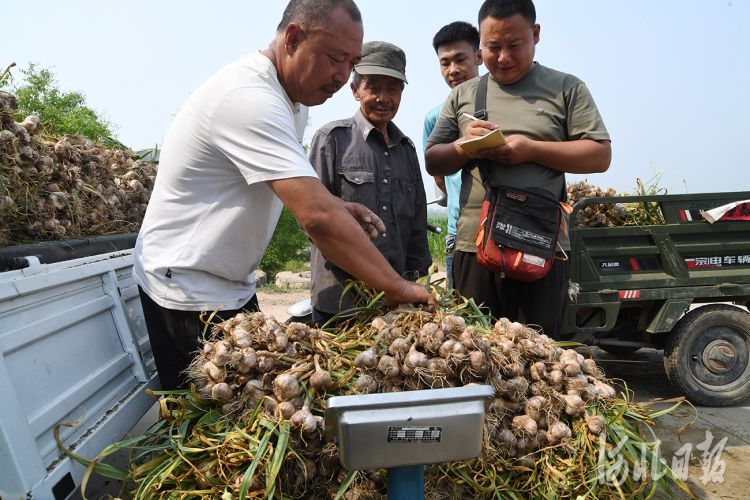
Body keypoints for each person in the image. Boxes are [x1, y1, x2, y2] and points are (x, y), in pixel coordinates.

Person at [134, 0, 436, 390]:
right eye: (335, 59)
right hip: (188, 289)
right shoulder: (250, 98)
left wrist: (340, 206)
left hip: (232, 284)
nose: (343, 76)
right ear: (293, 39)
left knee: (256, 405)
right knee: (203, 426)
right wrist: (397, 288)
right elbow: (317, 218)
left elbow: (301, 194)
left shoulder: (293, 100)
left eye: (351, 63)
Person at [425, 0, 611, 339]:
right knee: (471, 350)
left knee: (536, 358)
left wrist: (532, 150)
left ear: (536, 35)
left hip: (540, 246)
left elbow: (599, 155)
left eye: (515, 45)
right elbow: (433, 159)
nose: (504, 57)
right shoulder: (464, 95)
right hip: (475, 246)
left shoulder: (567, 88)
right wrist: (463, 144)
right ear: (481, 45)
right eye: (493, 47)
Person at [309, 41, 432, 325]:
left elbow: (416, 226)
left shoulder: (407, 149)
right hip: (341, 301)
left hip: (394, 302)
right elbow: (314, 222)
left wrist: (414, 284)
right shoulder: (331, 140)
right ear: (355, 91)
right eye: (373, 87)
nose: (383, 97)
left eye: (393, 88)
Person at [422, 21, 483, 290]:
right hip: (460, 234)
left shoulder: (504, 105)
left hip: (506, 229)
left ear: (479, 56)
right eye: (445, 63)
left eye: (460, 59)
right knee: (466, 317)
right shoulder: (435, 118)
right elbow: (438, 175)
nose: (453, 70)